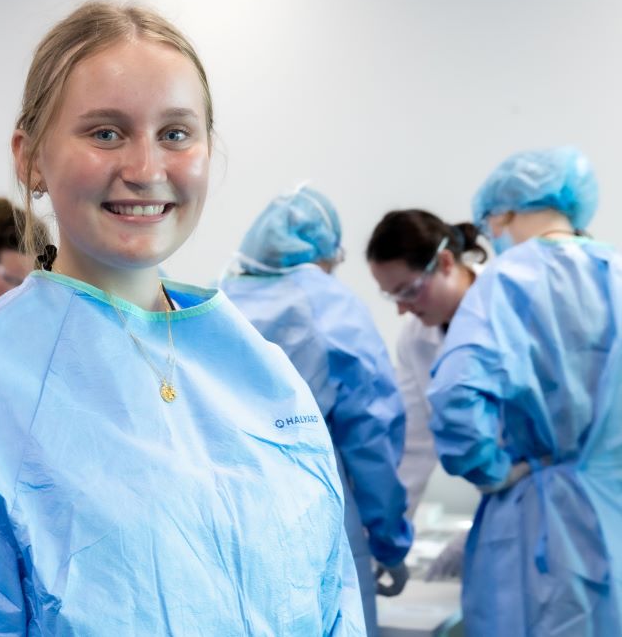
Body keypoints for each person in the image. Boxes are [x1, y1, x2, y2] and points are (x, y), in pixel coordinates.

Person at [0, 1, 364, 635]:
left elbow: (329, 595)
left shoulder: (263, 374)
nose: (146, 170)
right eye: (105, 133)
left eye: (176, 133)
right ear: (31, 157)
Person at [427, 147, 622, 635]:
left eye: (492, 220)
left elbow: (455, 394)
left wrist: (491, 470)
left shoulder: (506, 281)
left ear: (508, 210)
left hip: (539, 521)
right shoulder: (616, 273)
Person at [221, 186, 413, 635]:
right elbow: (371, 440)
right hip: (320, 526)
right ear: (327, 253)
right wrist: (390, 543)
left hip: (229, 529)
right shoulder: (332, 306)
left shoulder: (216, 301)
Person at [366, 209, 488, 516]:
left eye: (408, 291)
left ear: (445, 262)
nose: (402, 310)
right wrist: (392, 527)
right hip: (499, 499)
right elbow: (415, 443)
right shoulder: (414, 338)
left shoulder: (506, 304)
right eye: (392, 297)